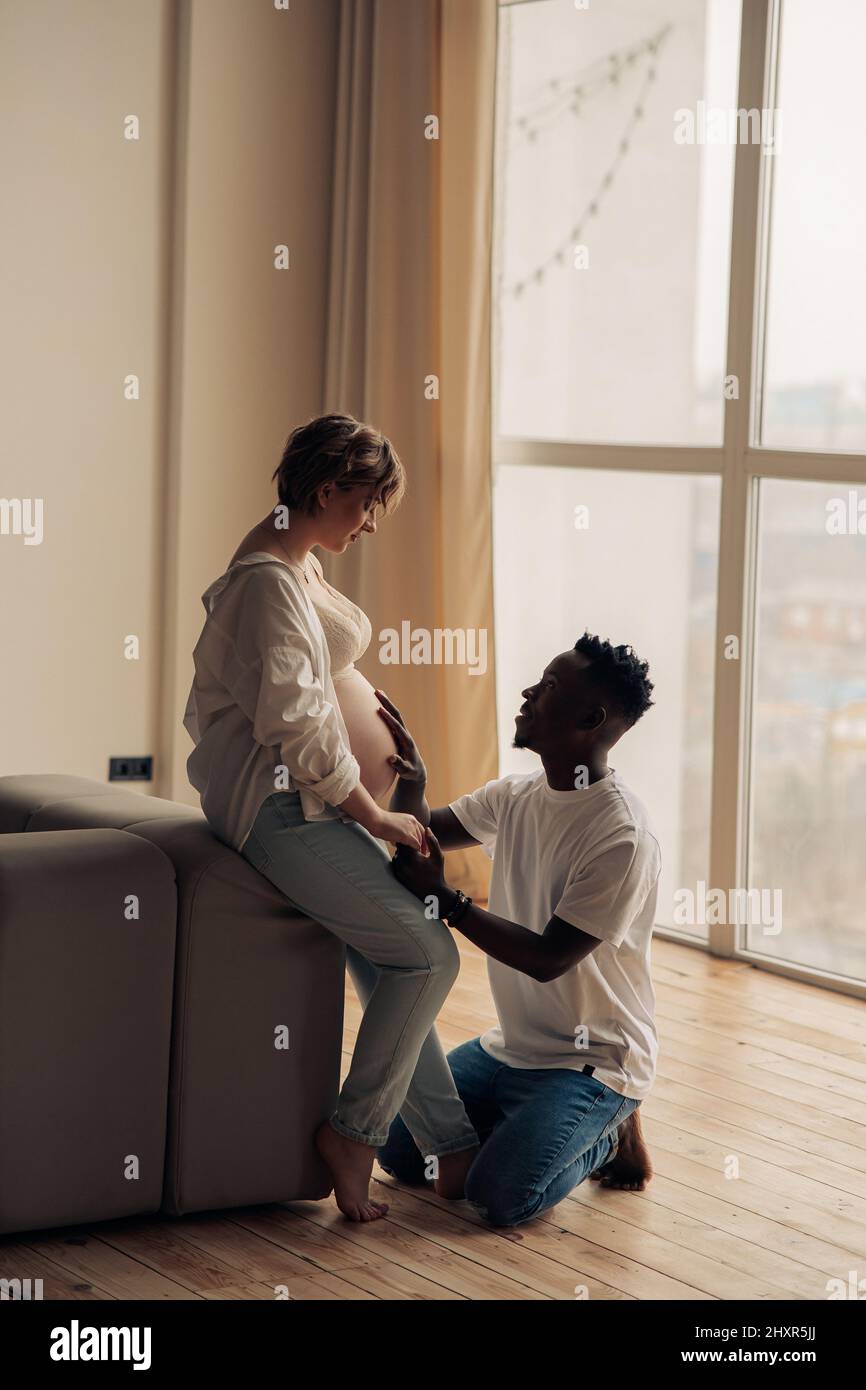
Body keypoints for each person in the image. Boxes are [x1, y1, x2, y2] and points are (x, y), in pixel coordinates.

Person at [182, 413, 479, 1222]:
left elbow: (321, 683)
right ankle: (354, 1135)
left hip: (315, 803)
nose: (374, 521)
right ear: (326, 490)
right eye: (368, 502)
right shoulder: (266, 583)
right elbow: (298, 724)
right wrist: (375, 816)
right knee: (429, 959)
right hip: (285, 812)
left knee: (391, 966)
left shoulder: (295, 560)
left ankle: (451, 1148)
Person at [374, 634, 659, 1228]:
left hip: (593, 1060)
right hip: (513, 1044)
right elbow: (419, 833)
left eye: (549, 686)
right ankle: (532, 1119)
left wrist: (446, 902)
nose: (530, 693)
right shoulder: (516, 795)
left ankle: (611, 1129)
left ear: (591, 718)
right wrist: (415, 783)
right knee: (400, 1154)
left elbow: (549, 957)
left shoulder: (621, 835)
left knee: (499, 1197)